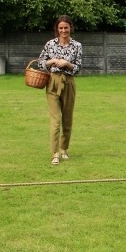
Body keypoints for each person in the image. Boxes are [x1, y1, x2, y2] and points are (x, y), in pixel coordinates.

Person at [38, 15, 83, 165]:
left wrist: (67, 64)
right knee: (56, 120)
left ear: (71, 28)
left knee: (67, 119)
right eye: (61, 28)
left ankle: (64, 149)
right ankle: (55, 153)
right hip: (52, 82)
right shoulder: (50, 44)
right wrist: (52, 61)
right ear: (57, 29)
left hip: (68, 82)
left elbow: (78, 68)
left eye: (66, 27)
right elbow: (40, 63)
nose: (63, 30)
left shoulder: (77, 46)